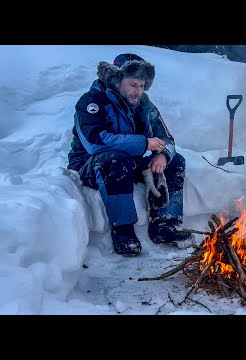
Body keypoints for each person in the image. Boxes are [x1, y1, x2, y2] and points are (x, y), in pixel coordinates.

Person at [67, 53, 193, 256]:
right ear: (117, 80)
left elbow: (167, 139)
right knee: (115, 159)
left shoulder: (144, 104)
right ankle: (123, 230)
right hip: (91, 165)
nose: (138, 91)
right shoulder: (91, 102)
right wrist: (143, 144)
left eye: (142, 86)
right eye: (133, 84)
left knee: (176, 161)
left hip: (130, 162)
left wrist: (163, 155)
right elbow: (95, 143)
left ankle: (165, 225)